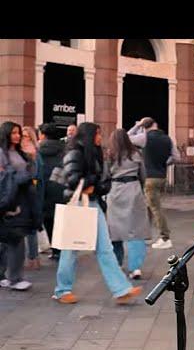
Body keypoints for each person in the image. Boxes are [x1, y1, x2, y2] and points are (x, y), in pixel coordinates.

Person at [52, 122, 142, 305]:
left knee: (105, 248)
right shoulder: (75, 152)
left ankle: (121, 290)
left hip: (93, 203)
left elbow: (104, 183)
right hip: (77, 204)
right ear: (89, 135)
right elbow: (73, 180)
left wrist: (96, 186)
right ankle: (62, 290)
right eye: (98, 134)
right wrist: (94, 182)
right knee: (71, 248)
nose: (101, 138)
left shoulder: (94, 153)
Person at [127, 117, 180, 249]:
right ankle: (145, 235)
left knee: (155, 208)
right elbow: (176, 157)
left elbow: (127, 137)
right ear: (155, 124)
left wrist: (138, 125)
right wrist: (165, 163)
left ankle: (165, 238)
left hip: (150, 177)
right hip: (162, 176)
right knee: (149, 207)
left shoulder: (144, 137)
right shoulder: (168, 139)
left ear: (144, 127)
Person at [105, 129, 150, 280]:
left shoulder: (110, 155)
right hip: (134, 190)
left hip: (115, 190)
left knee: (114, 231)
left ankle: (117, 263)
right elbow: (143, 175)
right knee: (135, 230)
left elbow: (105, 175)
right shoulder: (136, 154)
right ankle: (135, 267)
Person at [0, 122, 39, 291]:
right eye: (14, 133)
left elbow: (31, 172)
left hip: (22, 200)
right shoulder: (2, 153)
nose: (17, 136)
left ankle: (10, 276)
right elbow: (8, 177)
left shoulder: (19, 153)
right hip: (9, 200)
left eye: (19, 133)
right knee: (14, 238)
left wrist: (31, 159)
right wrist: (25, 174)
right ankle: (14, 278)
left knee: (12, 238)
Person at [37, 123, 66, 261]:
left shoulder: (38, 150)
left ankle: (55, 250)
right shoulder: (64, 149)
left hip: (45, 187)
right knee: (61, 218)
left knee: (48, 219)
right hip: (61, 186)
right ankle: (62, 248)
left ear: (43, 135)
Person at [20, 126, 43, 270]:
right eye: (22, 136)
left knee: (30, 228)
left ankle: (33, 257)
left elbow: (36, 175)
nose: (24, 138)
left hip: (30, 193)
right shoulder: (17, 152)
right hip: (21, 193)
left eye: (27, 136)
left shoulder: (35, 153)